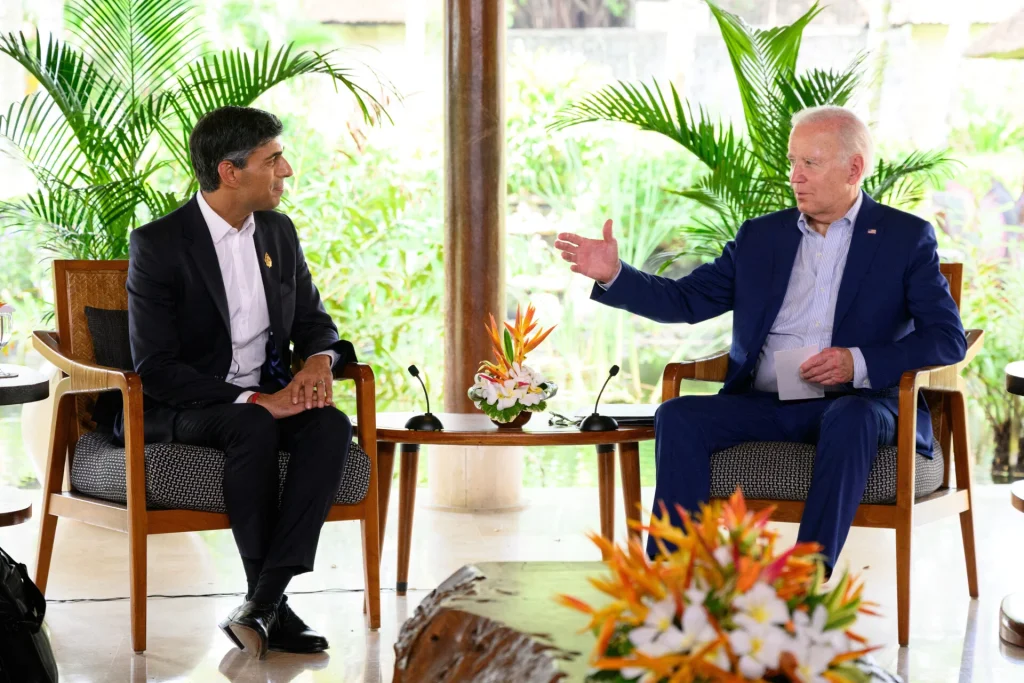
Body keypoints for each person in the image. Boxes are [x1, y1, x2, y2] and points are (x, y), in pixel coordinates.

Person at [554, 105, 966, 573]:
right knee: (679, 414)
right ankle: (671, 578)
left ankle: (803, 577)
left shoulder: (903, 237)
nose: (795, 176)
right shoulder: (761, 236)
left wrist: (858, 361)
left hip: (861, 405)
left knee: (850, 417)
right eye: (792, 162)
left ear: (854, 169)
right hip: (768, 403)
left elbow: (946, 338)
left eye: (810, 163)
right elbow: (686, 301)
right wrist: (615, 274)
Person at [124, 106, 355, 658]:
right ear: (230, 172)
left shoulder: (278, 231)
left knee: (329, 424)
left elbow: (314, 322)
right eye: (272, 160)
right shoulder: (159, 244)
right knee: (253, 424)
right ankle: (271, 605)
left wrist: (318, 361)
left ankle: (262, 602)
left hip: (264, 397)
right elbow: (156, 366)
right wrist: (254, 399)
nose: (286, 170)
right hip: (189, 404)